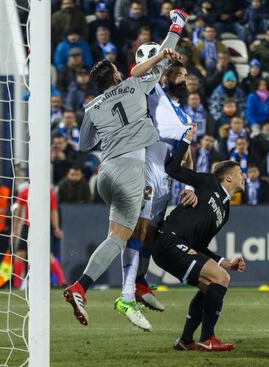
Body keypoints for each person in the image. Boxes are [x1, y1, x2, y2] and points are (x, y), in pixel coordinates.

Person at [63, 11, 187, 328]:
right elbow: (161, 60)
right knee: (124, 236)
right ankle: (107, 291)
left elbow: (85, 144)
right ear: (117, 77)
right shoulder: (133, 86)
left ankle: (98, 287)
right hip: (132, 168)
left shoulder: (91, 108)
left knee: (117, 234)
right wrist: (177, 26)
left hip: (106, 174)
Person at [115, 59, 197, 330]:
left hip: (166, 181)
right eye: (178, 75)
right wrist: (163, 56)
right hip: (147, 170)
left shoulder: (183, 116)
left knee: (151, 234)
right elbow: (135, 74)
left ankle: (139, 284)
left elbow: (187, 157)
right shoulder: (155, 94)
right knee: (138, 231)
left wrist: (189, 186)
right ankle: (126, 295)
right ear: (165, 78)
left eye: (185, 75)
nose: (184, 80)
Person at [152, 128, 246, 351]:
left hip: (179, 246)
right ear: (229, 176)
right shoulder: (208, 182)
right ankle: (208, 337)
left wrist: (225, 261)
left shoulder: (225, 211)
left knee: (214, 281)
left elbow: (200, 246)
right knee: (220, 278)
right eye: (240, 172)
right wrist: (186, 140)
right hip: (168, 240)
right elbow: (173, 168)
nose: (243, 176)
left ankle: (186, 340)